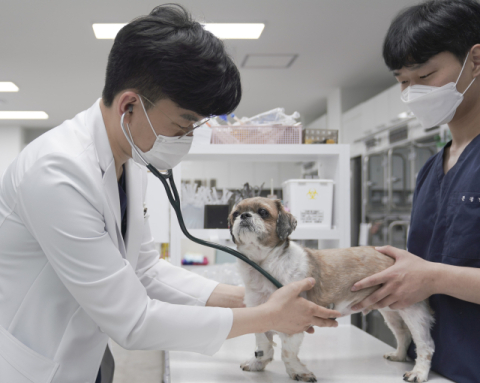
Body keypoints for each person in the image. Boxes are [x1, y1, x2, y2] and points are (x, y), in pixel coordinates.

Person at [0, 4, 340, 383]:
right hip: (36, 366)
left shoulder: (131, 158)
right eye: (185, 123)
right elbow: (134, 319)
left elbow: (143, 269)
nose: (188, 137)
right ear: (130, 105)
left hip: (87, 355)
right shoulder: (56, 171)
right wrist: (265, 316)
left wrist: (253, 295)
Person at [351, 1, 480, 382]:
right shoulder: (430, 170)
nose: (412, 92)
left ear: (476, 60)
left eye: (425, 75)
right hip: (435, 370)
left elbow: (430, 274)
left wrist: (434, 277)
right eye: (403, 82)